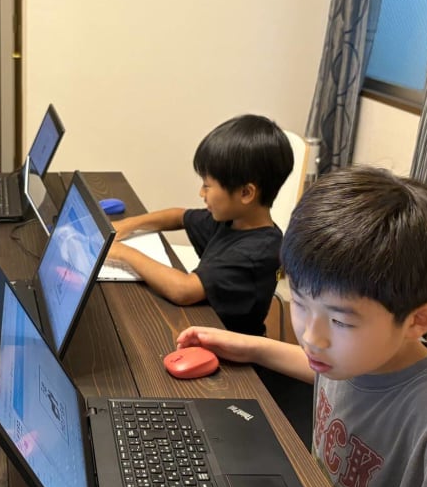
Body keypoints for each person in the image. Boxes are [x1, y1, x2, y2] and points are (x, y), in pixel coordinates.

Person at [177, 167, 427, 487]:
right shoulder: (355, 356)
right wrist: (251, 347)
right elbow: (324, 371)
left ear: (417, 321)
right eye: (300, 303)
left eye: (340, 321)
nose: (311, 337)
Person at [105, 114, 294, 336]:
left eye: (207, 186)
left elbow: (183, 290)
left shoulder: (257, 253)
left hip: (233, 349)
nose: (201, 193)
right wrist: (127, 224)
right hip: (205, 325)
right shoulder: (234, 220)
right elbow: (179, 216)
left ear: (245, 193)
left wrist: (123, 253)